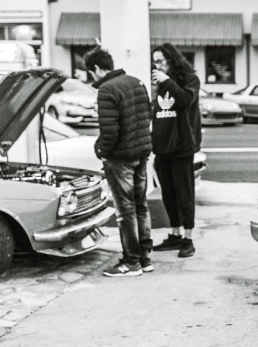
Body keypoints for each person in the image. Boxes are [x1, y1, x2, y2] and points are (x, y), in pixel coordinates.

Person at [85, 47, 155, 277]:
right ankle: (145, 258)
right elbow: (147, 115)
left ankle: (131, 262)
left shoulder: (106, 89)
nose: (92, 78)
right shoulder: (137, 82)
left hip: (120, 158)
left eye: (91, 72)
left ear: (96, 68)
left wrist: (102, 151)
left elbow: (110, 130)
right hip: (141, 153)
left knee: (125, 211)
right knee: (140, 206)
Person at [149, 43, 202, 258]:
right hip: (162, 147)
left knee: (184, 194)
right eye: (155, 61)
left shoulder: (190, 79)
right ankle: (175, 234)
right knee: (168, 195)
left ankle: (188, 239)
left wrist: (166, 81)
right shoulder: (161, 83)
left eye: (161, 60)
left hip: (182, 146)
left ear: (172, 59)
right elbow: (159, 112)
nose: (157, 65)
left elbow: (185, 100)